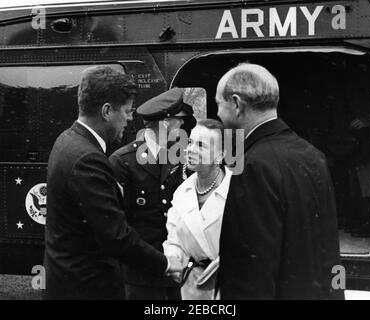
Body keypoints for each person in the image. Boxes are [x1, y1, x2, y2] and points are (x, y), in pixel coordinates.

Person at [44, 66, 181, 300]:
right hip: (87, 288)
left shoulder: (68, 141)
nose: (129, 119)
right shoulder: (88, 159)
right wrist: (166, 263)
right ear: (107, 110)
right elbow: (115, 236)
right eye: (126, 111)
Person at [215, 63, 344, 300]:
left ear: (236, 104)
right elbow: (327, 250)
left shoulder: (254, 165)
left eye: (219, 105)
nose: (218, 114)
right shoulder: (312, 155)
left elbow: (251, 268)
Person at [109, 88, 195, 300]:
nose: (182, 124)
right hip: (141, 272)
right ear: (165, 123)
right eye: (179, 120)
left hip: (176, 265)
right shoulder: (123, 161)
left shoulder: (180, 155)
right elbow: (119, 222)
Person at [163, 119, 232, 300]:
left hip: (232, 284)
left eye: (200, 145)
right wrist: (174, 259)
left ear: (219, 155)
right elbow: (175, 241)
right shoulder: (182, 192)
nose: (190, 149)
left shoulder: (237, 190)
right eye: (191, 142)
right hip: (194, 288)